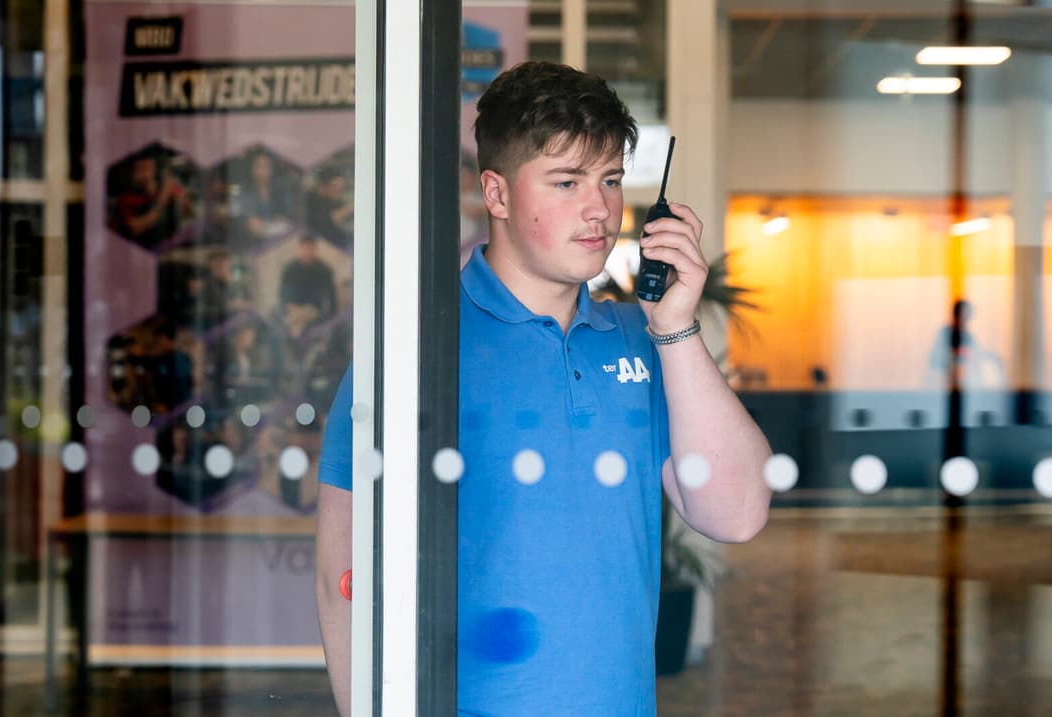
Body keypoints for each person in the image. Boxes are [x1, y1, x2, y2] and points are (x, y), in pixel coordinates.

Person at [313, 61, 773, 716]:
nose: (600, 209)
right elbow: (341, 578)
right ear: (496, 195)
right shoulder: (415, 345)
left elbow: (737, 513)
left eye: (610, 179)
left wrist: (674, 326)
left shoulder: (642, 340)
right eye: (566, 182)